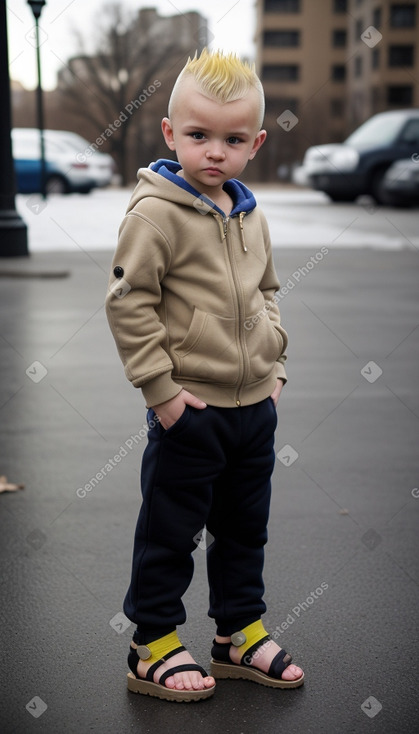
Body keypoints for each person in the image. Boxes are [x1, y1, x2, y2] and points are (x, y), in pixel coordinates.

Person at [105, 48, 304, 702]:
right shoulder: (154, 213)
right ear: (170, 134)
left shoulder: (249, 213)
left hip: (254, 409)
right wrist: (161, 394)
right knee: (169, 531)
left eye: (231, 139)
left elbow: (268, 290)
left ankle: (237, 634)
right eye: (197, 136)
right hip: (190, 410)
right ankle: (152, 642)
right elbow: (128, 301)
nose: (214, 152)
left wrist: (274, 364)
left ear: (255, 143)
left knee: (246, 528)